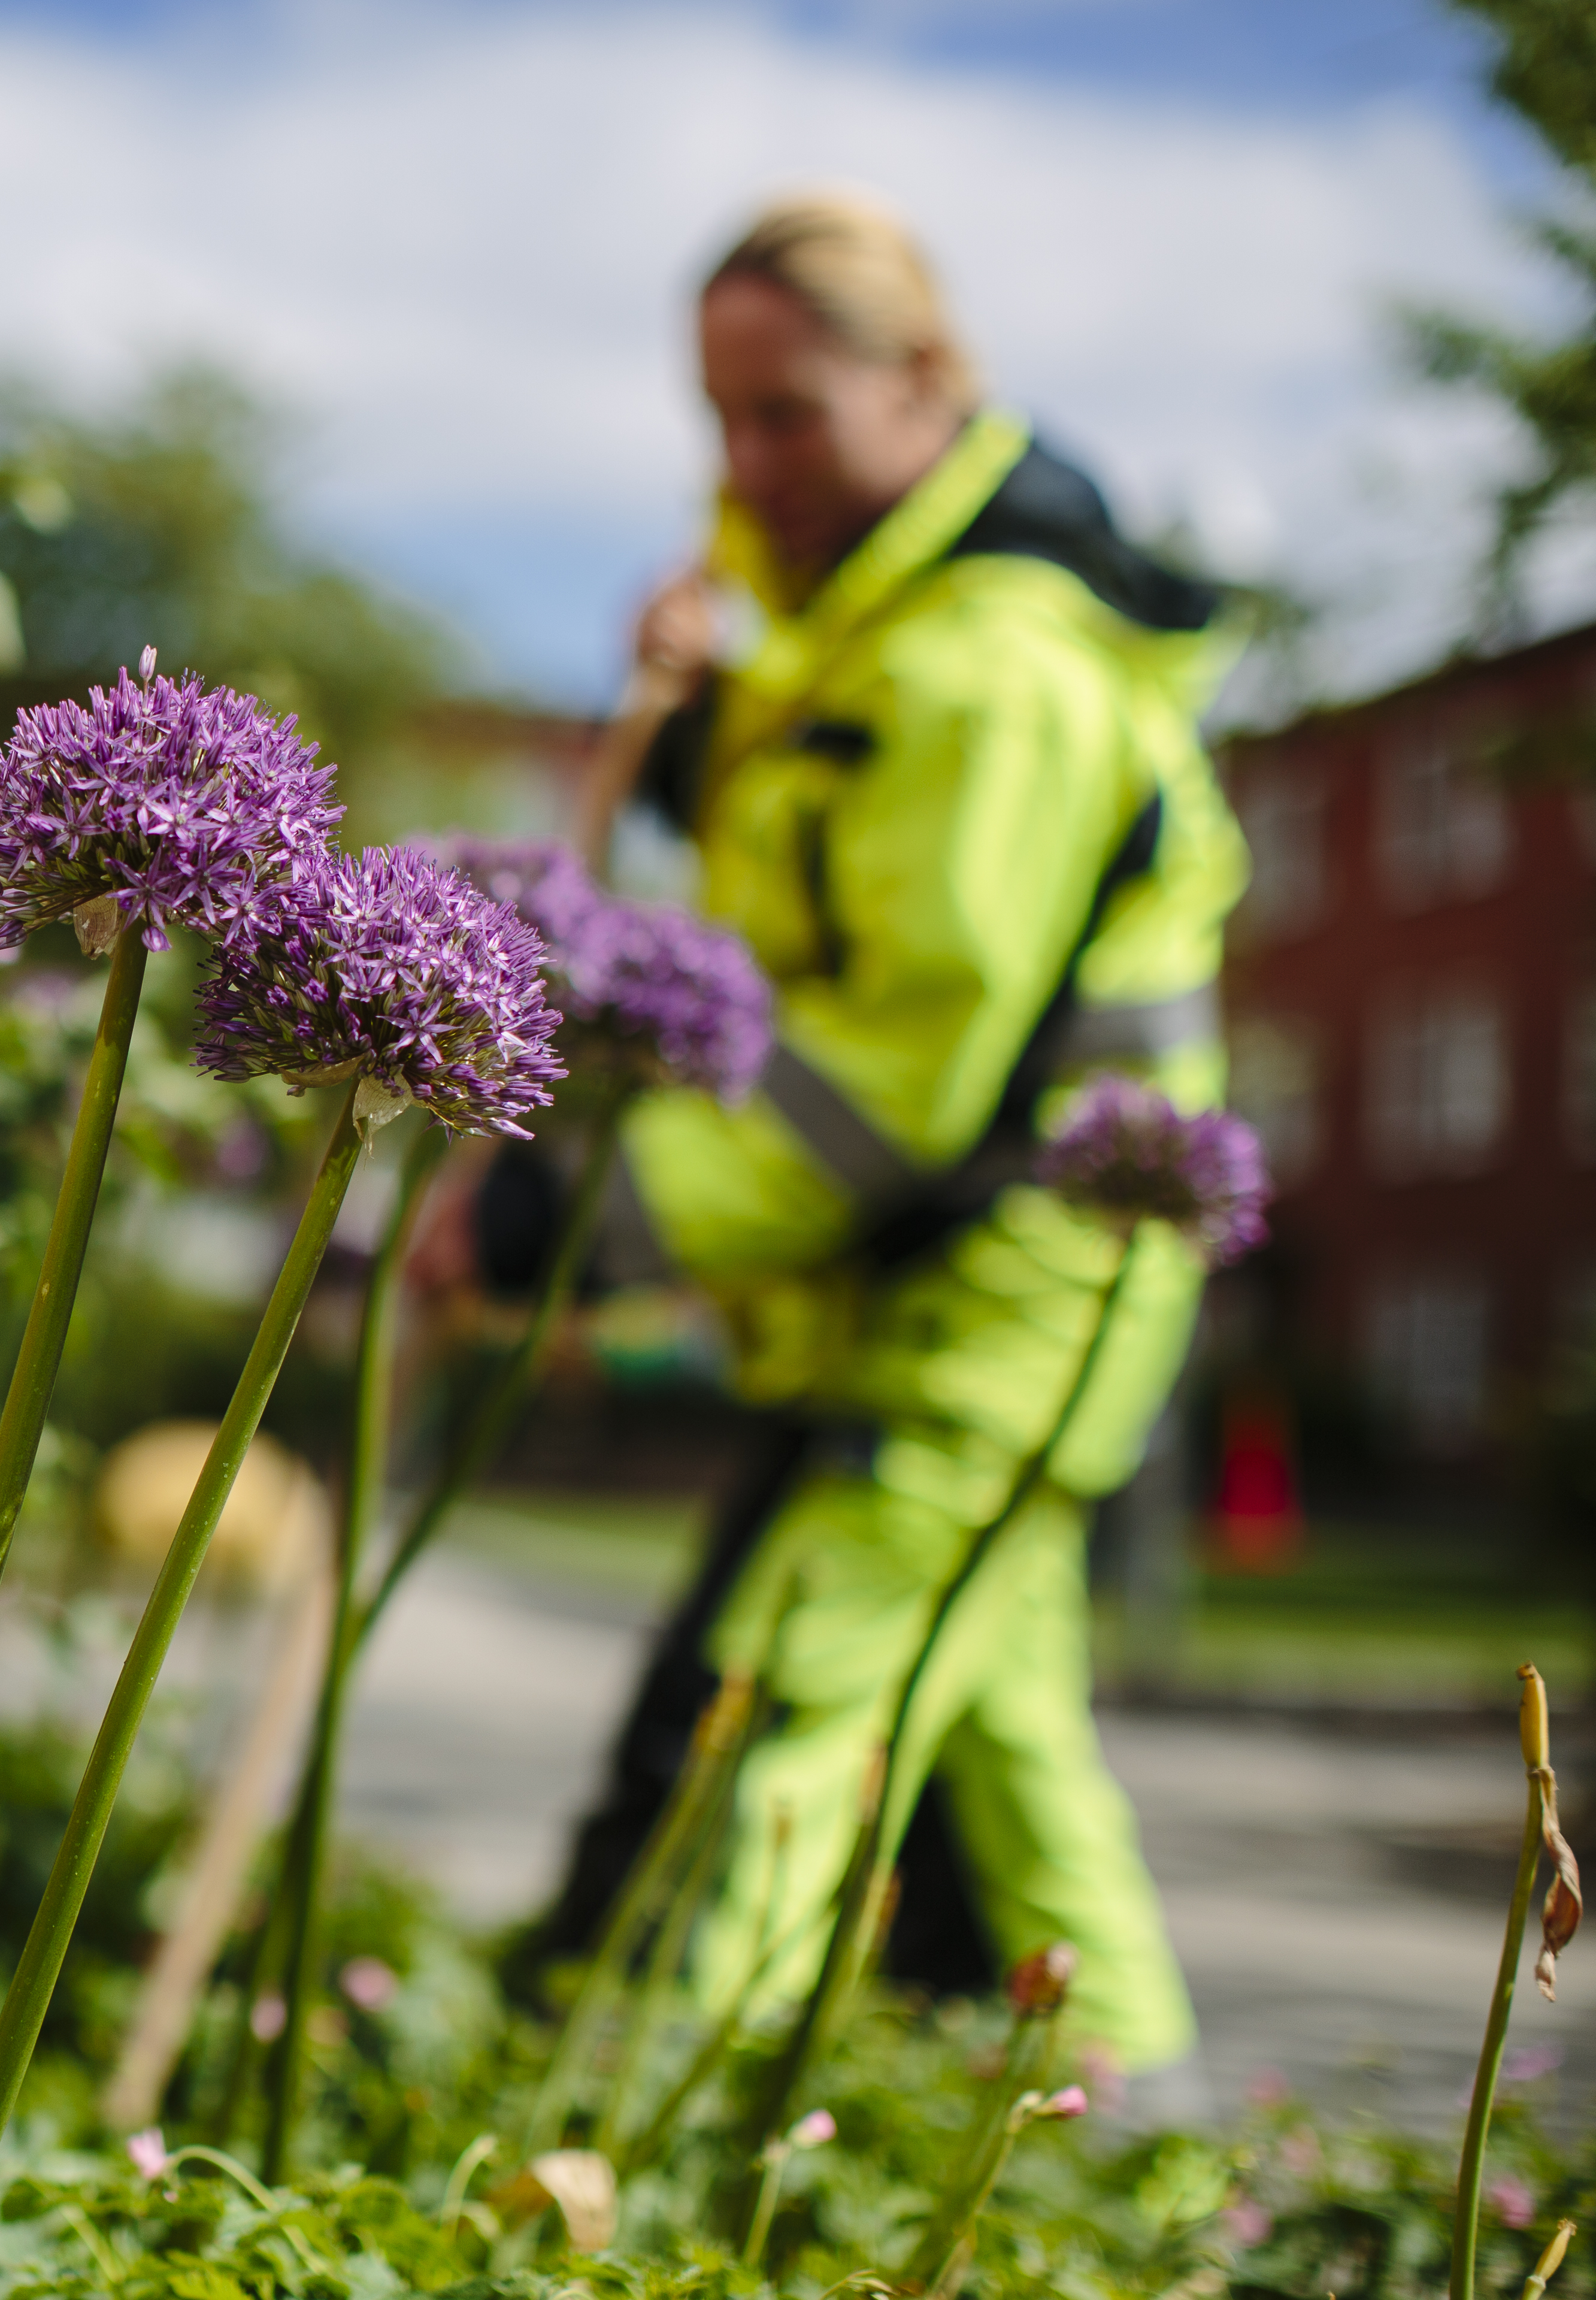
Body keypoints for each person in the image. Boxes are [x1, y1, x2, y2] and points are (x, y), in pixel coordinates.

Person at [514, 189, 1246, 2080]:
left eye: (787, 417)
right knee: (1001, 1758)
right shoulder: (861, 642)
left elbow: (892, 1081)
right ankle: (1148, 2155)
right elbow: (814, 881)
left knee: (775, 1721)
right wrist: (700, 730)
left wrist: (563, 1223)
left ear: (926, 383)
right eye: (720, 420)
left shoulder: (995, 672)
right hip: (921, 1306)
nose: (745, 465)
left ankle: (629, 2146)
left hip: (1004, 1298)